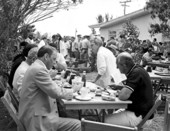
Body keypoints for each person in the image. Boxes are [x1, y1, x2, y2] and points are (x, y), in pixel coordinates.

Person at [19, 45, 81, 131]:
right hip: (36, 120)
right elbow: (55, 92)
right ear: (46, 57)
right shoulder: (38, 69)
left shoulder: (36, 66)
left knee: (64, 114)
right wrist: (73, 90)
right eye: (54, 59)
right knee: (77, 125)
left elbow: (50, 86)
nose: (55, 63)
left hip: (34, 114)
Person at [105, 52, 154, 127]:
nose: (117, 68)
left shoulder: (135, 73)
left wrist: (121, 92)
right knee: (105, 116)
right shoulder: (137, 69)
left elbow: (122, 96)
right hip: (141, 112)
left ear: (124, 65)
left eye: (118, 65)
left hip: (139, 116)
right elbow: (136, 89)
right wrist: (120, 87)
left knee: (102, 120)